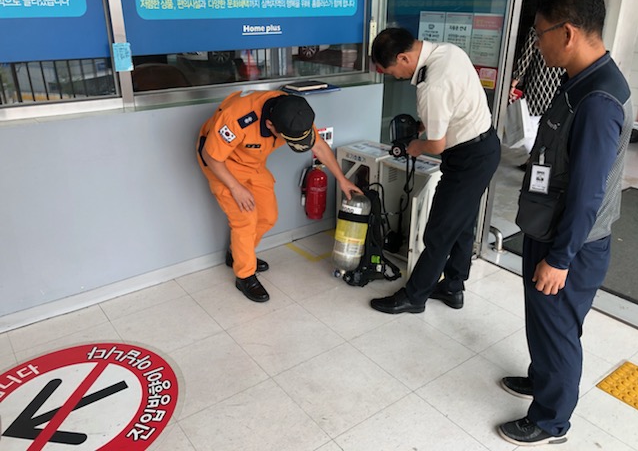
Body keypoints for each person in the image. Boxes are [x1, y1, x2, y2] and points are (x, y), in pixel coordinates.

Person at [499, 0, 633, 446]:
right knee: (543, 319)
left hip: (570, 243)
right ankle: (542, 379)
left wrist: (559, 258)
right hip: (549, 227)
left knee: (558, 330)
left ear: (568, 33)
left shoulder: (598, 101)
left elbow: (587, 193)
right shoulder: (581, 80)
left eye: (540, 34)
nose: (538, 44)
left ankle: (551, 421)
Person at [369, 28, 501, 313]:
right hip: (484, 147)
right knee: (462, 224)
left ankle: (415, 297)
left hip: (467, 158)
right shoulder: (449, 51)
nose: (396, 77)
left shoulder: (431, 86)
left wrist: (416, 146)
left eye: (392, 72)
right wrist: (426, 124)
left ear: (403, 58)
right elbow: (454, 101)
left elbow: (437, 145)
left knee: (440, 230)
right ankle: (453, 287)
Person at [197, 90, 361, 302]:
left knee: (268, 216)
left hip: (252, 164)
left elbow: (319, 146)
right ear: (270, 125)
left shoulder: (295, 113)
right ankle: (245, 275)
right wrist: (235, 188)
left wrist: (342, 179)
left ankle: (236, 254)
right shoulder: (237, 118)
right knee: (245, 220)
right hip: (221, 164)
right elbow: (210, 156)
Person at [509, 27, 564, 169]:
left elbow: (525, 58)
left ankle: (534, 158)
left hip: (537, 85)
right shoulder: (564, 31)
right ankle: (537, 158)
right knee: (549, 125)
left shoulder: (537, 30)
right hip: (557, 86)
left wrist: (514, 83)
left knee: (530, 125)